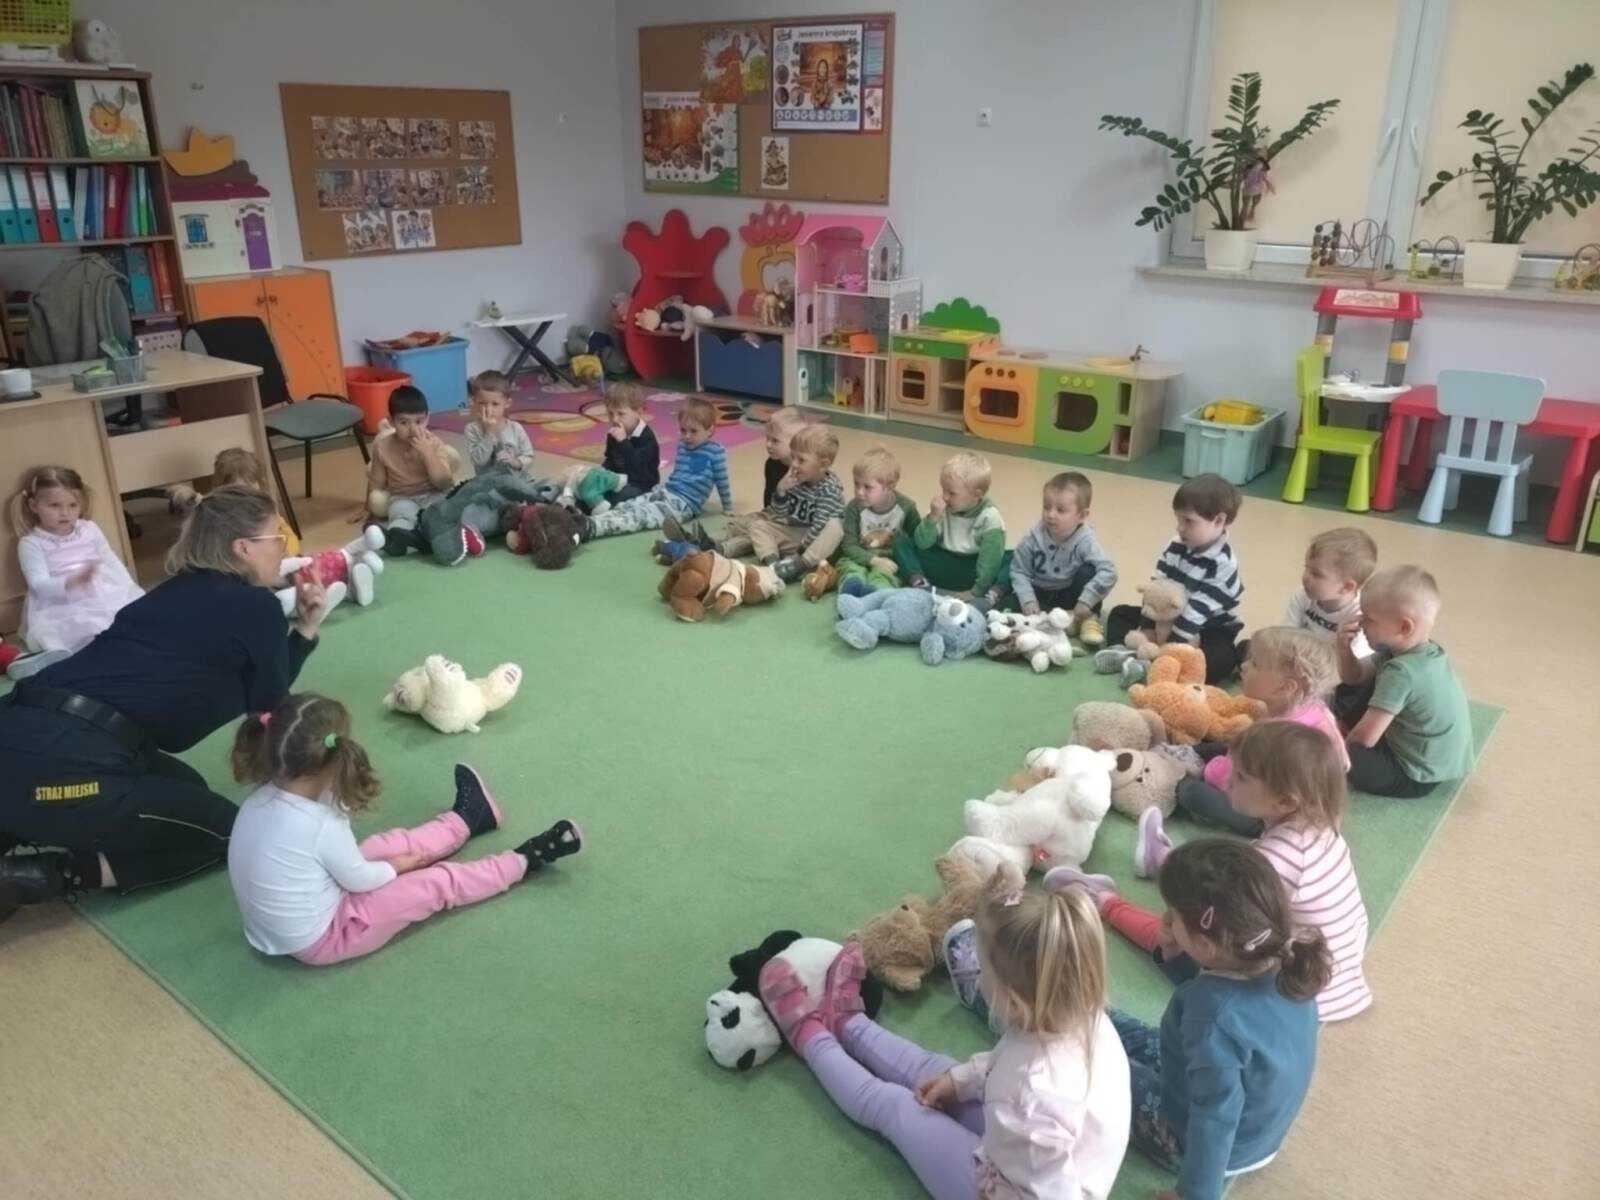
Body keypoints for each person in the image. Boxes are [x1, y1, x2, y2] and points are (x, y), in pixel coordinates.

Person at [0, 487, 332, 918]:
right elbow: (270, 705)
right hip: (67, 756)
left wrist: (305, 628)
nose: (284, 549)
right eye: (277, 537)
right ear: (243, 547)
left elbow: (260, 687)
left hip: (26, 721)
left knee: (188, 790)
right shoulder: (257, 607)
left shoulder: (171, 590)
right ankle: (49, 874)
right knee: (226, 832)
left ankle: (17, 817)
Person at [764, 888, 1130, 1200]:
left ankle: (809, 1036)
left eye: (982, 969)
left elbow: (1024, 1094)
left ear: (1014, 1000)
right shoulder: (1076, 1013)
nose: (978, 976)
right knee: (935, 1070)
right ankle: (848, 1023)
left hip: (1013, 1188)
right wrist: (959, 1081)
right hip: (1038, 1144)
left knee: (895, 1106)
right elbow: (1008, 1064)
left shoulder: (1030, 1090)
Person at [227, 693, 581, 965]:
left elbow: (337, 861)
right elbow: (358, 879)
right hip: (328, 937)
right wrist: (396, 868)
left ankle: (468, 819)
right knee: (435, 883)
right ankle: (523, 861)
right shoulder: (320, 824)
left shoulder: (261, 797)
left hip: (290, 920)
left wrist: (388, 863)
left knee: (385, 845)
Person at [1057, 722, 1372, 1024]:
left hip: (1296, 989)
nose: (1227, 780)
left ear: (1285, 801)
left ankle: (1104, 902)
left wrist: (1177, 925)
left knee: (1183, 929)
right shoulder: (1319, 828)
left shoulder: (1278, 859)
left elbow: (1213, 916)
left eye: (1242, 777)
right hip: (1334, 967)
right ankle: (1162, 860)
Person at [1082, 838, 1329, 1200]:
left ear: (1207, 946)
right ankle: (1073, 1016)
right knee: (1100, 1021)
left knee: (1089, 1066)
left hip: (1196, 1139)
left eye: (1173, 915)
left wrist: (1194, 1195)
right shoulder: (1284, 962)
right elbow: (1213, 986)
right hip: (1248, 1119)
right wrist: (1173, 951)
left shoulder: (1213, 1018)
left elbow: (1215, 1116)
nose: (1165, 918)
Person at [1163, 626, 1347, 840]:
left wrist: (1205, 768)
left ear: (1286, 688)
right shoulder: (1315, 709)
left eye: (1255, 664)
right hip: (1283, 790)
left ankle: (1255, 827)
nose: (1244, 666)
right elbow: (1342, 764)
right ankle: (1184, 753)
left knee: (1190, 792)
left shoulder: (1280, 735)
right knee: (1224, 745)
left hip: (1274, 815)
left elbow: (1224, 778)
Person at [1334, 564, 1474, 798]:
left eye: (1369, 619)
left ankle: (1337, 732)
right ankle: (1341, 725)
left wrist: (1331, 742)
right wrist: (1343, 649)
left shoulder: (1402, 673)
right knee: (1362, 685)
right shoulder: (1419, 652)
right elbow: (1355, 676)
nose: (1360, 624)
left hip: (1415, 774)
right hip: (1432, 759)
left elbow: (1364, 739)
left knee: (1343, 754)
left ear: (1404, 626)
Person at [5, 465, 144, 680]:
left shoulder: (89, 529)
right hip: (60, 602)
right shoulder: (31, 543)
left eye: (72, 505)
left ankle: (122, 652)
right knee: (81, 627)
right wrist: (70, 583)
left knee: (125, 617)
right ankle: (65, 661)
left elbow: (109, 558)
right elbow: (38, 584)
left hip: (101, 590)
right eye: (54, 505)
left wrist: (130, 587)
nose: (65, 513)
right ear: (34, 505)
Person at [1105, 473, 1244, 684]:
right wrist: (1149, 629)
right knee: (1119, 613)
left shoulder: (1223, 564)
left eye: (1189, 521)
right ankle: (1122, 653)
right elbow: (1156, 586)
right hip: (1165, 617)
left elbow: (1196, 613)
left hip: (1207, 627)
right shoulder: (1176, 544)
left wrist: (1169, 646)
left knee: (1221, 659)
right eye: (1179, 519)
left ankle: (1161, 665)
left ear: (1219, 520)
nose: (1180, 527)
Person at [575, 397, 732, 542]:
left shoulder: (716, 452)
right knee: (629, 505)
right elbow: (678, 475)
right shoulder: (683, 446)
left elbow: (722, 480)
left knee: (639, 516)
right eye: (683, 430)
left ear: (710, 430)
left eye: (693, 431)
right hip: (666, 491)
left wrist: (728, 507)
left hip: (684, 504)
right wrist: (661, 492)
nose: (687, 436)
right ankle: (588, 518)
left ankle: (592, 527)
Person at [711, 425, 844, 582]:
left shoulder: (829, 489)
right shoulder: (796, 479)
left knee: (835, 526)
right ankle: (774, 565)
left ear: (823, 465)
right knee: (758, 526)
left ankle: (799, 566)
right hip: (795, 534)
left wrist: (799, 553)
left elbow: (819, 527)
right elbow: (778, 514)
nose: (794, 464)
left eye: (801, 460)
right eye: (793, 457)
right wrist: (781, 490)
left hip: (817, 545)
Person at [1006, 471, 1117, 647]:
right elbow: (1019, 570)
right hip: (1040, 594)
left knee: (1089, 571)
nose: (1050, 515)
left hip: (1071, 596)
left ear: (1082, 515)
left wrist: (1086, 600)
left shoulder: (1086, 540)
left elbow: (1109, 571)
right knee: (1010, 602)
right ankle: (1050, 620)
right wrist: (1028, 599)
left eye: (1060, 510)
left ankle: (1087, 619)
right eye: (1046, 507)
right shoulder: (1032, 537)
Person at [895, 451, 1010, 610]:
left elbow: (989, 562)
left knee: (1012, 558)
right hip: (942, 563)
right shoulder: (943, 507)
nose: (945, 497)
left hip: (972, 570)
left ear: (976, 495)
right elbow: (922, 543)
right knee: (901, 541)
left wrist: (977, 590)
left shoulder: (990, 517)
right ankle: (921, 584)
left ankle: (990, 595)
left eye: (952, 493)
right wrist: (933, 517)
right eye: (943, 490)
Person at [368, 385, 456, 556]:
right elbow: (376, 482)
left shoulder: (434, 443)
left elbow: (443, 483)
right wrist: (368, 509)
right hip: (403, 497)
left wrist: (428, 453)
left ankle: (429, 537)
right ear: (391, 422)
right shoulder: (382, 447)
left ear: (427, 419)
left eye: (419, 421)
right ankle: (398, 540)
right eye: (404, 422)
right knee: (400, 518)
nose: (413, 429)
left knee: (441, 514)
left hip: (434, 493)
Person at [835, 445, 920, 598]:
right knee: (848, 567)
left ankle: (878, 593)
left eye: (867, 487)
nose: (859, 492)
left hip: (889, 559)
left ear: (889, 487)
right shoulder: (854, 507)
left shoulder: (907, 508)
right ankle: (850, 591)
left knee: (885, 575)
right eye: (856, 484)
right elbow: (849, 545)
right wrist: (873, 560)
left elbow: (916, 542)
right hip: (858, 556)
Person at [1283, 526, 1375, 657]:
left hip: (1334, 665)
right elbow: (1286, 636)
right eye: (1306, 568)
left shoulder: (1360, 616)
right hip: (1302, 656)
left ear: (1346, 587)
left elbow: (1353, 663)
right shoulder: (1302, 595)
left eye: (1316, 574)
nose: (1306, 577)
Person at [462, 370, 533, 474]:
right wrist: (489, 433)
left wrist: (515, 462)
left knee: (550, 482)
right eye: (482, 403)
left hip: (517, 479)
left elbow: (529, 457)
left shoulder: (516, 428)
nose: (488, 409)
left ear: (507, 403)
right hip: (488, 481)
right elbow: (478, 461)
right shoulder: (472, 429)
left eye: (495, 404)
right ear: (474, 402)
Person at [601, 380, 660, 503]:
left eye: (621, 414)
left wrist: (623, 442)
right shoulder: (614, 433)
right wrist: (603, 473)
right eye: (610, 413)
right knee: (589, 486)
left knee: (615, 498)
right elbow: (610, 458)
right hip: (618, 480)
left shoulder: (646, 437)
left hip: (642, 484)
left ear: (639, 412)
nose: (614, 419)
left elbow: (639, 467)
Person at [761, 406, 807, 507]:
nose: (768, 445)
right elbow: (768, 497)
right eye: (767, 438)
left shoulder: (805, 470)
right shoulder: (771, 463)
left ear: (795, 443)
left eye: (775, 440)